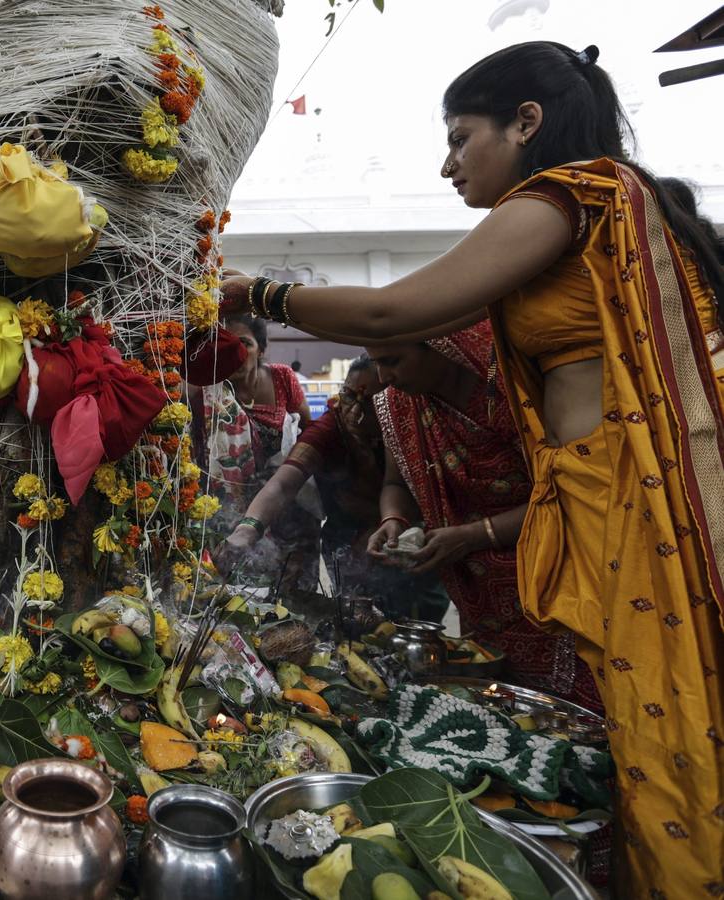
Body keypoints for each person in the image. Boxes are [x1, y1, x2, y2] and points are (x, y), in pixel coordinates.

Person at [220, 41, 723, 895]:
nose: (448, 162)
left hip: (630, 506)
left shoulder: (568, 193)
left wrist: (257, 294)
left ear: (525, 123)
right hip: (596, 498)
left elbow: (391, 308)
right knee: (638, 734)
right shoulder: (591, 206)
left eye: (460, 137)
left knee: (663, 738)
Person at [364, 324, 600, 709]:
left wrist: (476, 535)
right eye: (376, 364)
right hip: (479, 591)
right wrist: (394, 520)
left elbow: (574, 495)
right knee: (502, 701)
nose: (383, 377)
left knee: (579, 707)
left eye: (392, 361)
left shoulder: (515, 395)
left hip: (559, 572)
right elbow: (396, 484)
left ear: (441, 345)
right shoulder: (398, 405)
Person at [217, 355, 450, 621]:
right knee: (355, 622)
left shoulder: (416, 427)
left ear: (393, 402)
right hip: (349, 544)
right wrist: (247, 530)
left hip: (414, 541)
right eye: (349, 395)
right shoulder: (332, 425)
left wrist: (394, 529)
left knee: (417, 625)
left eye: (370, 401)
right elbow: (283, 483)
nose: (354, 410)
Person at [191, 314, 319, 587]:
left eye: (244, 343)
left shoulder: (282, 378)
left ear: (261, 349)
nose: (235, 351)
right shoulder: (207, 389)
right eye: (225, 344)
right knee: (237, 586)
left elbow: (310, 432)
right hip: (226, 508)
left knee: (292, 589)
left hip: (284, 503)